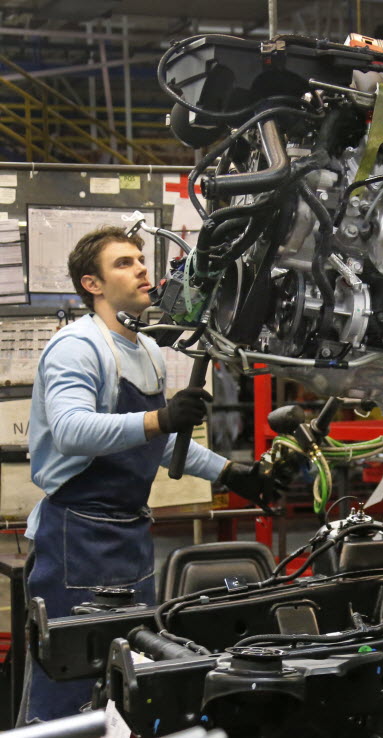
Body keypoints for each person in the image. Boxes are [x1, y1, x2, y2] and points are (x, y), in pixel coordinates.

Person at [20, 226, 278, 722]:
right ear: (91, 284)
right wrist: (161, 418)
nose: (141, 268)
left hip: (131, 536)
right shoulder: (77, 346)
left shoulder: (149, 351)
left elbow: (155, 444)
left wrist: (231, 472)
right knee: (68, 682)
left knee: (125, 679)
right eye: (123, 262)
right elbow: (74, 431)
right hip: (77, 538)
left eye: (140, 258)